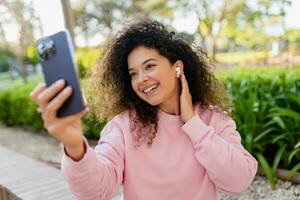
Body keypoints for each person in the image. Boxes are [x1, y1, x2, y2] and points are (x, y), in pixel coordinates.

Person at [30, 19, 258, 200]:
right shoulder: (123, 126)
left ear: (177, 68)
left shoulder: (213, 119)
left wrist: (193, 124)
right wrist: (74, 146)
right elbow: (96, 193)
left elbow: (238, 181)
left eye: (149, 66)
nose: (141, 79)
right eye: (133, 73)